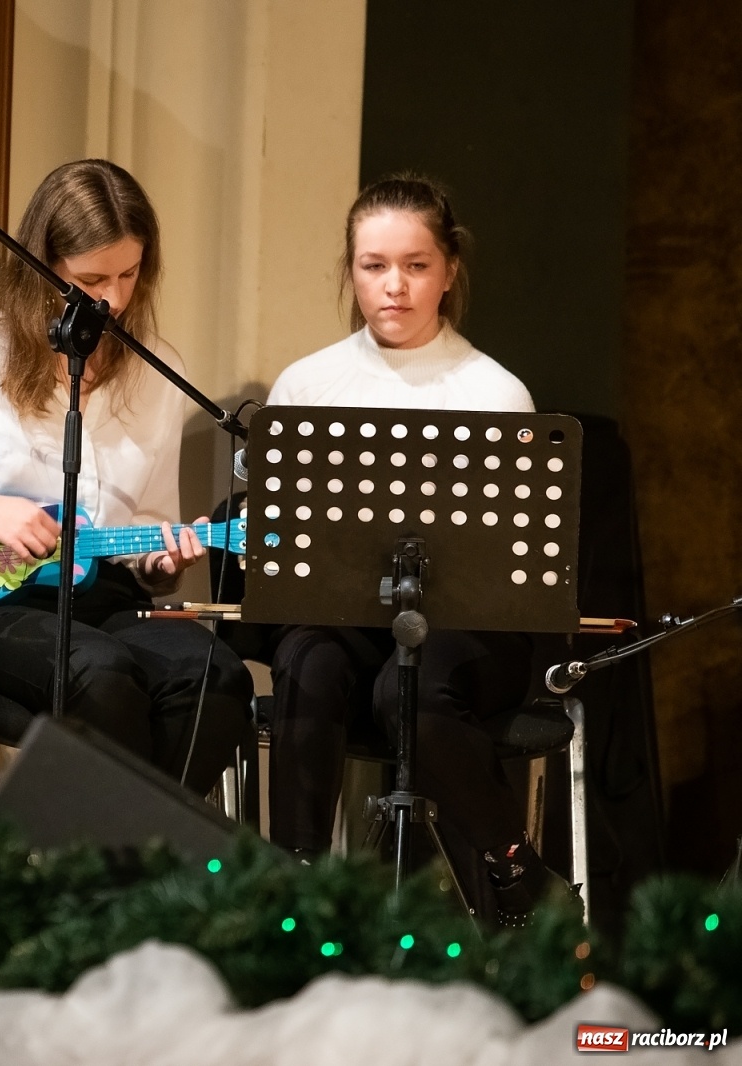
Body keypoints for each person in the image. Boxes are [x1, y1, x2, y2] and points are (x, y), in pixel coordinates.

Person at [0, 159, 253, 793]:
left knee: (215, 676)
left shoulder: (158, 372)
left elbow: (148, 540)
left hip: (107, 601)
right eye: (91, 279)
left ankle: (139, 853)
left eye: (129, 274)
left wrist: (163, 563)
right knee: (100, 675)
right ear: (41, 267)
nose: (114, 299)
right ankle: (112, 856)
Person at [265, 174, 549, 923]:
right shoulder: (308, 385)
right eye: (374, 265)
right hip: (350, 623)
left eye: (416, 266)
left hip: (469, 633)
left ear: (449, 270)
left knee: (409, 690)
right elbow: (279, 534)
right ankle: (293, 893)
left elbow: (512, 563)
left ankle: (514, 869)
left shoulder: (496, 394)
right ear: (351, 269)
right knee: (308, 660)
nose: (394, 286)